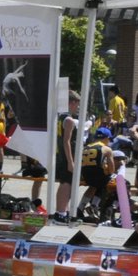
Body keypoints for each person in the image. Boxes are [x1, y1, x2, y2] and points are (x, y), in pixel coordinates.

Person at [53, 93, 81, 222]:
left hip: (61, 155)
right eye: (77, 103)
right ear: (72, 102)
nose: (78, 107)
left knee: (64, 183)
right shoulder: (68, 120)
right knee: (67, 183)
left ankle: (63, 210)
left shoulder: (59, 117)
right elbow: (66, 141)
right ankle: (61, 212)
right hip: (66, 156)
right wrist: (71, 161)